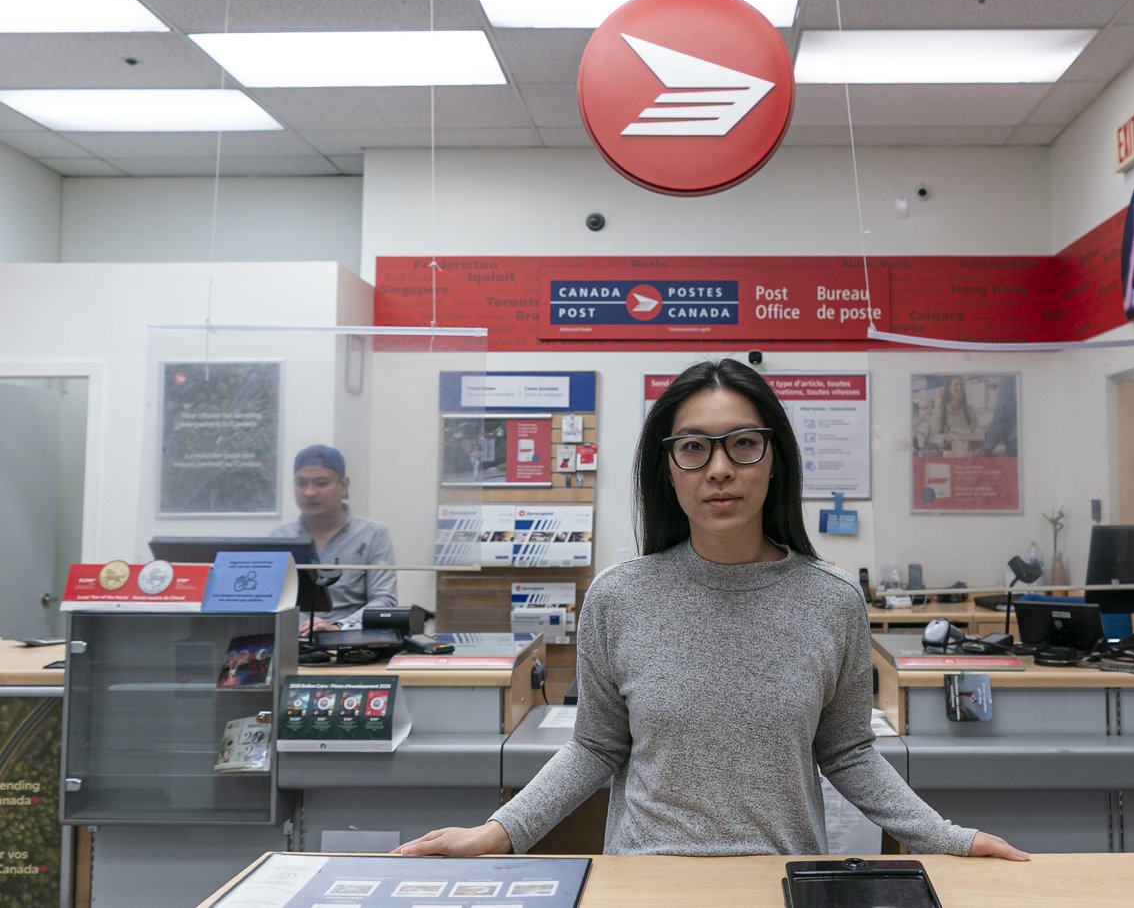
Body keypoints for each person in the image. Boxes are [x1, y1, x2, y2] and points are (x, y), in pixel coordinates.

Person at [396, 359, 1027, 861]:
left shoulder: (832, 600)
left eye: (743, 445)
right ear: (668, 468)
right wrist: (498, 832)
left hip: (781, 877)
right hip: (647, 880)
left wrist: (949, 837)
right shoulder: (619, 598)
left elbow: (848, 754)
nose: (719, 469)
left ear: (774, 458)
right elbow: (594, 748)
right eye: (694, 448)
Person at [272, 444, 397, 634]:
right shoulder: (280, 538)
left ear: (344, 485)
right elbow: (271, 599)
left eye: (321, 483)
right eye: (301, 482)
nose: (309, 492)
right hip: (294, 641)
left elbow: (384, 600)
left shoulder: (372, 535)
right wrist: (306, 626)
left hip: (352, 640)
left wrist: (338, 627)